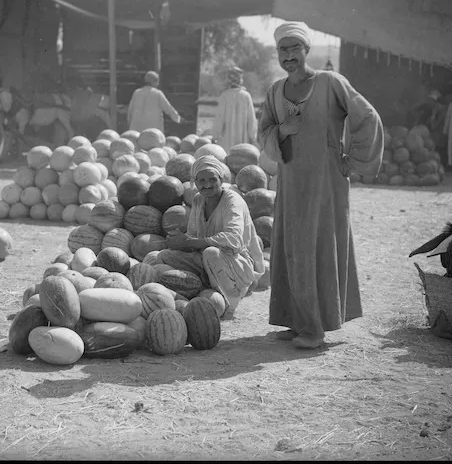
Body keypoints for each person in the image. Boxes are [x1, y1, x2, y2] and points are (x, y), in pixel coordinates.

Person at [258, 21, 384, 349]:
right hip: (291, 182)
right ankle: (296, 319)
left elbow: (367, 116)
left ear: (306, 50)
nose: (289, 56)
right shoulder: (275, 91)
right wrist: (283, 130)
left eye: (294, 48)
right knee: (291, 248)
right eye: (282, 50)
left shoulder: (330, 82)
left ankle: (316, 327)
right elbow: (264, 135)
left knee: (318, 247)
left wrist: (353, 161)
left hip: (326, 183)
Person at [155, 155, 265, 318]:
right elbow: (192, 236)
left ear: (221, 179)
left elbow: (234, 239)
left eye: (212, 179)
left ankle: (231, 300)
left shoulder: (232, 201)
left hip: (238, 262)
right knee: (164, 257)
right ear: (195, 182)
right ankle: (199, 293)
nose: (207, 185)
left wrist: (189, 242)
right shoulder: (198, 200)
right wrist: (179, 241)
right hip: (207, 259)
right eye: (201, 180)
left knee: (211, 252)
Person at [211, 66, 258, 151]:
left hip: (226, 141)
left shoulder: (224, 96)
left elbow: (219, 119)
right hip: (243, 141)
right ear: (240, 80)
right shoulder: (246, 96)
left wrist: (215, 136)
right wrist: (253, 137)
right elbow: (251, 119)